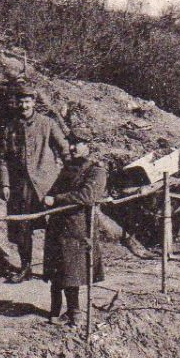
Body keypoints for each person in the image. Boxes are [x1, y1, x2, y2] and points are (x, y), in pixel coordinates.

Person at [0, 84, 68, 282]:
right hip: (20, 186)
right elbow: (2, 159)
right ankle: (25, 268)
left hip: (46, 184)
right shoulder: (10, 127)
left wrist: (65, 176)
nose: (24, 105)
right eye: (21, 102)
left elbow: (64, 149)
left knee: (54, 226)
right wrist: (5, 184)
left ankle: (54, 269)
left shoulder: (48, 123)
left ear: (34, 102)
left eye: (27, 101)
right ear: (16, 103)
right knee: (22, 228)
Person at [42, 125, 107, 326]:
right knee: (56, 270)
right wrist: (50, 198)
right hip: (58, 225)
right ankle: (56, 310)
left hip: (78, 228)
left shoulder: (96, 171)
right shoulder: (68, 168)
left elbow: (87, 196)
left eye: (77, 144)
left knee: (72, 272)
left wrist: (57, 199)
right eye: (71, 143)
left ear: (88, 147)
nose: (72, 148)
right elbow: (52, 191)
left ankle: (74, 313)